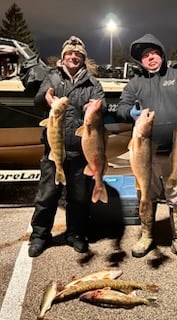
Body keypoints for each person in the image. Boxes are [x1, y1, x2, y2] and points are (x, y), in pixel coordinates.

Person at [117, 33, 177, 265]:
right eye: (145, 56)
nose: (150, 58)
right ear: (141, 62)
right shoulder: (136, 83)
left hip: (176, 151)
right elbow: (122, 106)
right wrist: (130, 113)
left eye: (154, 53)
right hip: (146, 154)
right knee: (146, 194)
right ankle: (147, 235)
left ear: (162, 54)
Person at [28, 36, 106, 257]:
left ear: (83, 59)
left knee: (79, 198)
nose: (74, 57)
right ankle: (39, 236)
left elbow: (104, 104)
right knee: (47, 196)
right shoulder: (52, 77)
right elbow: (36, 101)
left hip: (81, 152)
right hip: (54, 151)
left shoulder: (93, 83)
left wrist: (98, 106)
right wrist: (46, 98)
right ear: (63, 57)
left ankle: (75, 234)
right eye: (70, 54)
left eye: (78, 54)